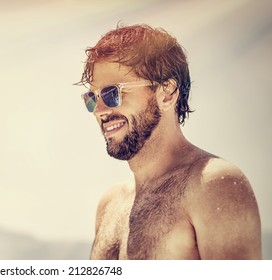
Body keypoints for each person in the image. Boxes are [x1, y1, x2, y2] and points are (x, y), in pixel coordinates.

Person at [79, 24, 261, 260]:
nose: (99, 111)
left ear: (167, 93)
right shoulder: (110, 204)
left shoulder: (212, 185)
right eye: (92, 98)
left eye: (112, 93)